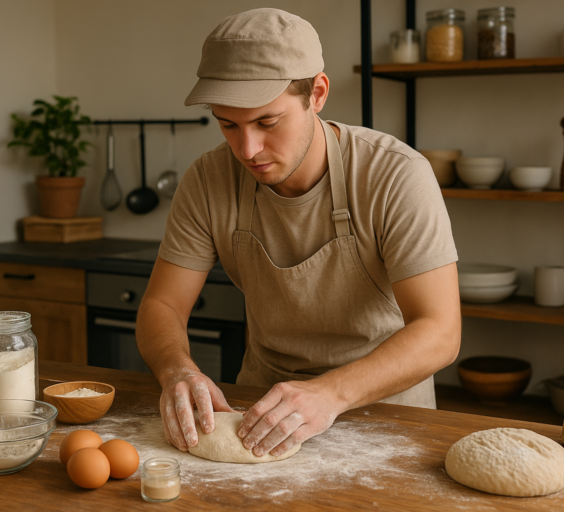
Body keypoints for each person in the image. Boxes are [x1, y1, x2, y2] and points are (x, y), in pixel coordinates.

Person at [136, 8, 461, 459]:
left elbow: (440, 330)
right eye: (228, 124)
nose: (248, 150)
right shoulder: (208, 180)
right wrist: (177, 370)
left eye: (267, 122)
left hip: (387, 418)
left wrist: (328, 394)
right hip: (259, 414)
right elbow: (163, 305)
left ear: (317, 93)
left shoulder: (395, 175)